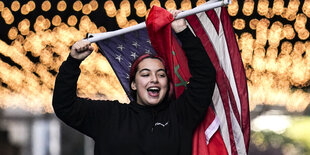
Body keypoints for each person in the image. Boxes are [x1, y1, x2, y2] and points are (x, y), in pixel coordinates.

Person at [53, 10, 216, 155]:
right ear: (133, 84)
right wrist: (72, 63)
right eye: (145, 74)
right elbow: (65, 106)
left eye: (161, 75)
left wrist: (183, 31)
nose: (154, 79)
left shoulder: (180, 115)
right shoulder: (110, 116)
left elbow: (205, 77)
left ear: (167, 84)